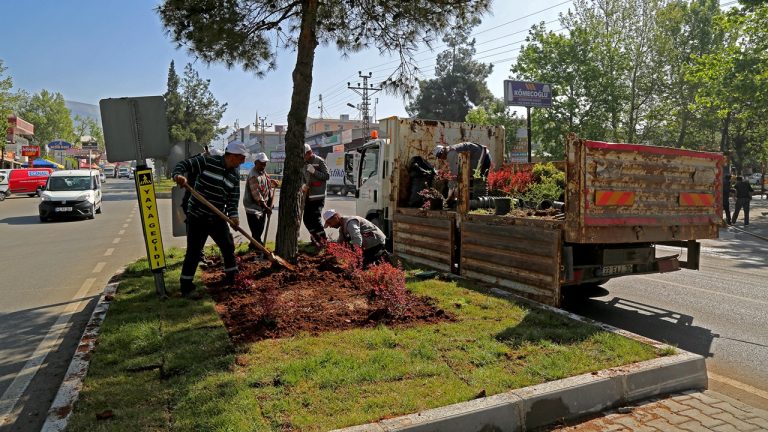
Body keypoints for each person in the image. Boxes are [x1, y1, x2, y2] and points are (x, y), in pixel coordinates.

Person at [172, 141, 247, 297]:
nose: (243, 162)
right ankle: (186, 287)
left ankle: (232, 276)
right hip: (197, 215)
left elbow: (233, 199)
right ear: (232, 156)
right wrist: (178, 176)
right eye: (241, 158)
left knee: (227, 245)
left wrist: (234, 216)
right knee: (194, 251)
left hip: (217, 216)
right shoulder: (208, 161)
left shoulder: (234, 175)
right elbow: (184, 164)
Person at [322, 209, 388, 267]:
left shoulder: (350, 222)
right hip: (369, 243)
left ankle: (381, 254)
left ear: (336, 217)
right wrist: (333, 254)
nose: (330, 226)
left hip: (376, 242)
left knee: (362, 265)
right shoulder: (342, 228)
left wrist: (357, 256)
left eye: (329, 223)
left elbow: (357, 238)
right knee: (359, 262)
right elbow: (340, 243)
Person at [243, 152, 278, 255]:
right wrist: (266, 207)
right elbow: (257, 195)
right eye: (261, 163)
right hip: (253, 206)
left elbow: (265, 182)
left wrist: (272, 181)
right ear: (256, 163)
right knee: (256, 228)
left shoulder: (263, 172)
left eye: (265, 163)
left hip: (262, 205)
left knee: (260, 227)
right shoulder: (253, 176)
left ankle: (253, 245)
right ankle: (258, 246)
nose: (264, 165)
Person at [303, 143, 330, 246]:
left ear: (309, 152)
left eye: (304, 155)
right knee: (306, 219)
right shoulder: (303, 163)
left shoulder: (319, 161)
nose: (303, 158)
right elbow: (302, 177)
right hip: (308, 196)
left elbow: (327, 176)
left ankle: (323, 240)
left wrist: (314, 171)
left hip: (318, 196)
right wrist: (302, 185)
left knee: (315, 219)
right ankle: (315, 238)